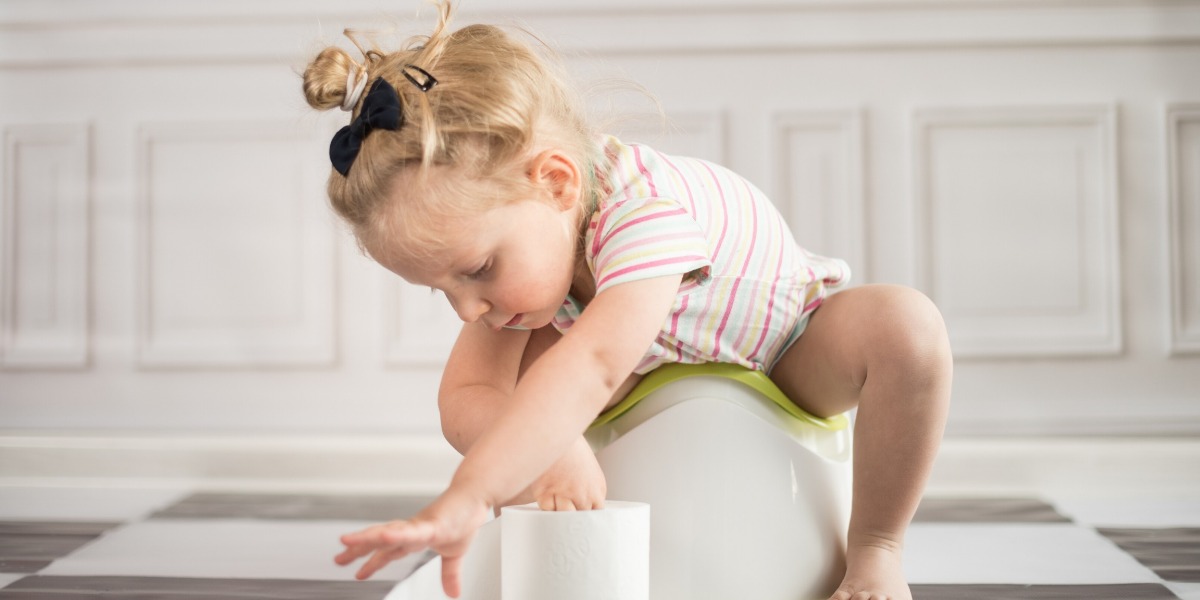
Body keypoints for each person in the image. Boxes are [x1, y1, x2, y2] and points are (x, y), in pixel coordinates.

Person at [302, 3, 951, 599]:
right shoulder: (520, 277)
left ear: (556, 183)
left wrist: (478, 490)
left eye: (476, 270)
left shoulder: (640, 215)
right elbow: (465, 397)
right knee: (524, 393)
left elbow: (596, 363)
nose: (468, 310)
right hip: (647, 374)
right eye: (443, 289)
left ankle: (876, 549)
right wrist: (522, 465)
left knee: (907, 328)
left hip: (784, 349)